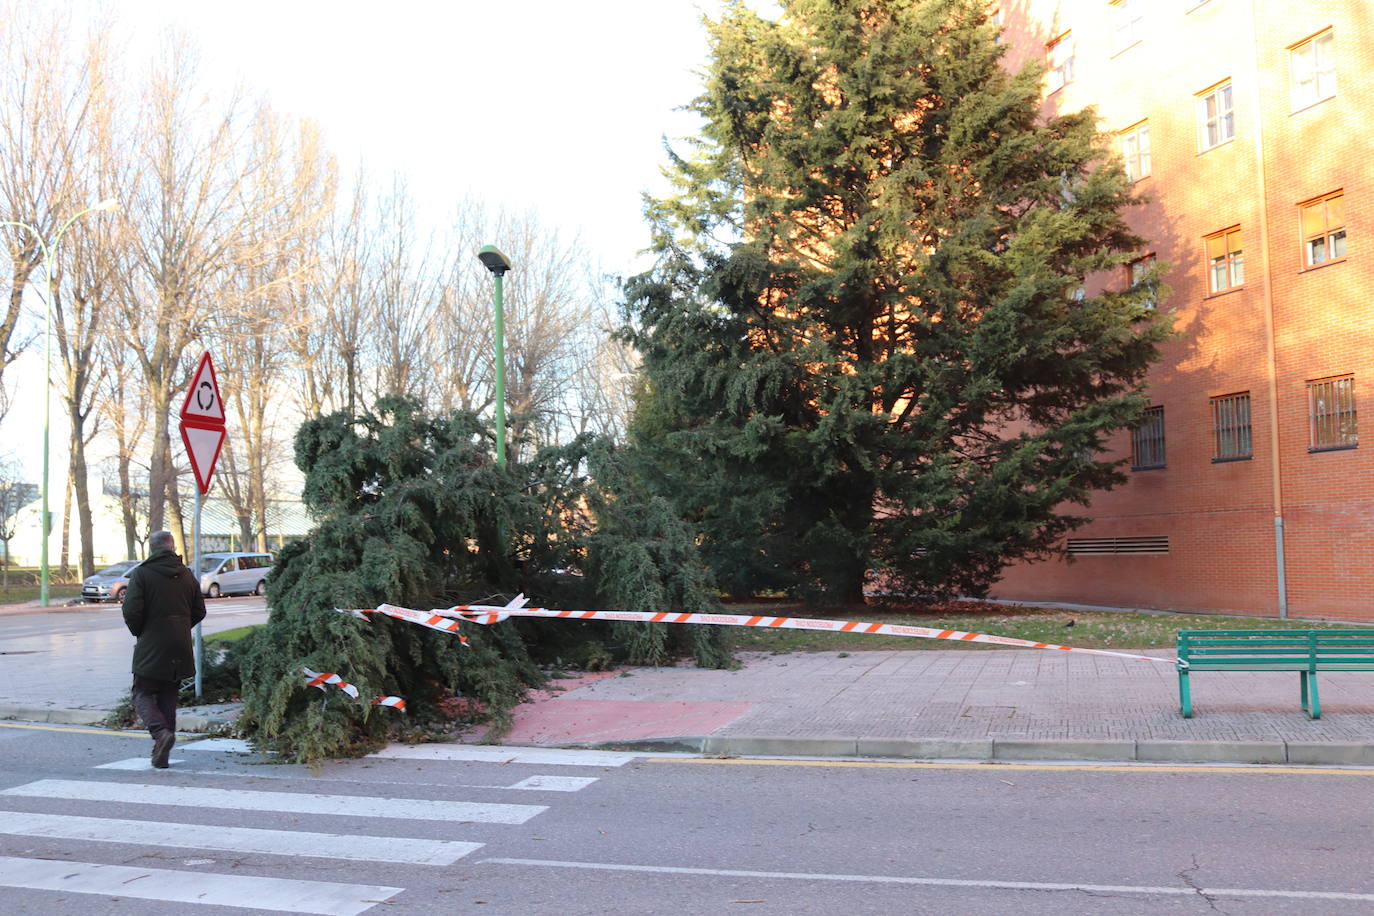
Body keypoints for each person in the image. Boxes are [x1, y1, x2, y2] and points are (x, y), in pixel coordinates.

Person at [121, 530, 207, 768]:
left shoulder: (142, 574)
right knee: (169, 694)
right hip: (180, 645)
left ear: (151, 548)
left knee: (142, 692)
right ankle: (163, 753)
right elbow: (200, 610)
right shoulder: (187, 575)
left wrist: (142, 631)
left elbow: (130, 611)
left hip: (152, 643)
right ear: (172, 546)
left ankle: (160, 734)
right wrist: (180, 626)